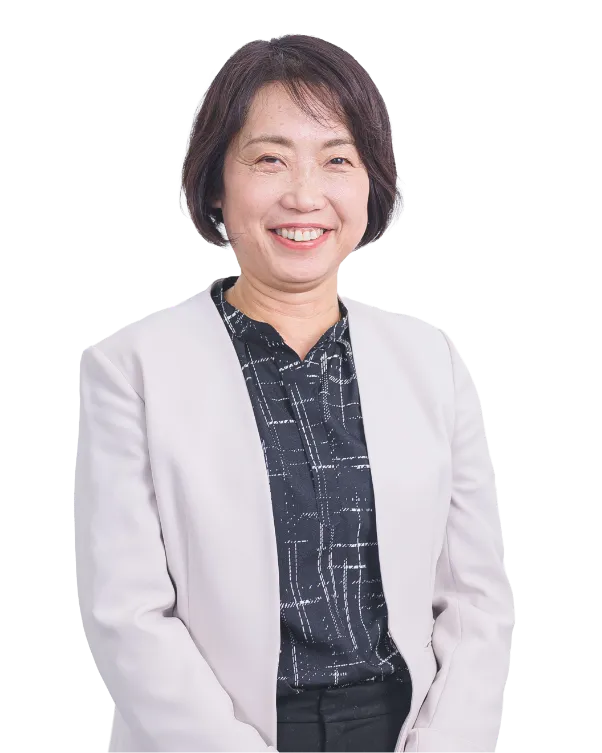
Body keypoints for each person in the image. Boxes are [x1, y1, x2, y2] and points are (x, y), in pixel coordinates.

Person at [74, 33, 513, 753]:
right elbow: (127, 616)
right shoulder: (130, 368)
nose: (305, 194)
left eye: (337, 159)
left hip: (405, 730)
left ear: (371, 183)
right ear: (216, 184)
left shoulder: (430, 358)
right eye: (269, 159)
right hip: (221, 736)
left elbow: (476, 597)